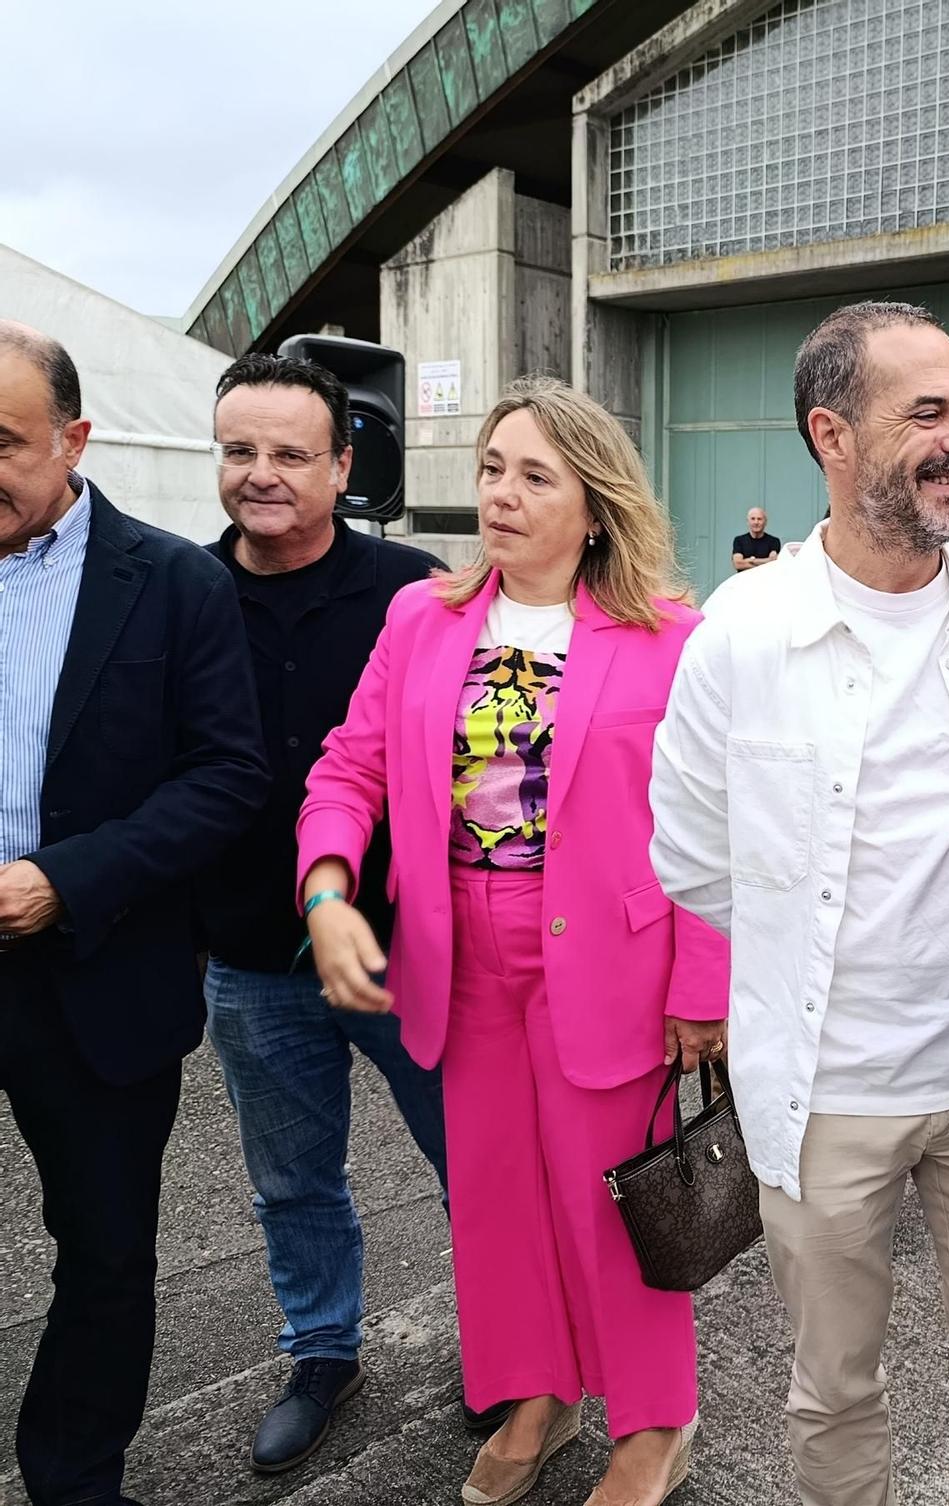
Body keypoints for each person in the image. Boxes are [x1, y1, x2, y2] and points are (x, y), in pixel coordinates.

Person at [649, 301, 949, 1506]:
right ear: (831, 436)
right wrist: (803, 940)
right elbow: (687, 853)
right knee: (832, 1389)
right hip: (822, 1092)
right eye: (924, 413)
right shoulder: (744, 633)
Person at [297, 377, 728, 1506]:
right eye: (491, 467)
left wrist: (703, 984)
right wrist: (329, 890)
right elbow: (349, 767)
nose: (501, 494)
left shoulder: (669, 640)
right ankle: (536, 1390)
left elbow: (714, 824)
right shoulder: (420, 618)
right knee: (493, 1194)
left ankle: (652, 1420)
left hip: (612, 961)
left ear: (594, 504)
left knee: (606, 1198)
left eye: (535, 475)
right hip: (457, 951)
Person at [0, 321, 268, 1506]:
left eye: (2, 441)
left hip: (97, 972)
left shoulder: (173, 582)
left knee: (104, 1257)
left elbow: (227, 778)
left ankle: (72, 1476)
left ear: (74, 440)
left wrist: (70, 877)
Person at [193, 352, 457, 1471]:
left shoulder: (416, 591)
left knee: (472, 1161)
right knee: (292, 1179)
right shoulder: (180, 592)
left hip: (413, 949)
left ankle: (510, 1347)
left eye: (291, 455)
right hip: (252, 958)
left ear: (344, 464)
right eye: (239, 451)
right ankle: (321, 1353)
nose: (262, 475)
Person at [731, 506, 781, 570]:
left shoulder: (774, 541)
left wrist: (751, 560)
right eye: (753, 519)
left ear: (765, 522)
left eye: (759, 519)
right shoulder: (739, 540)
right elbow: (738, 564)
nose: (756, 522)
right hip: (744, 579)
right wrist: (763, 564)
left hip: (766, 579)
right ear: (747, 522)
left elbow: (772, 562)